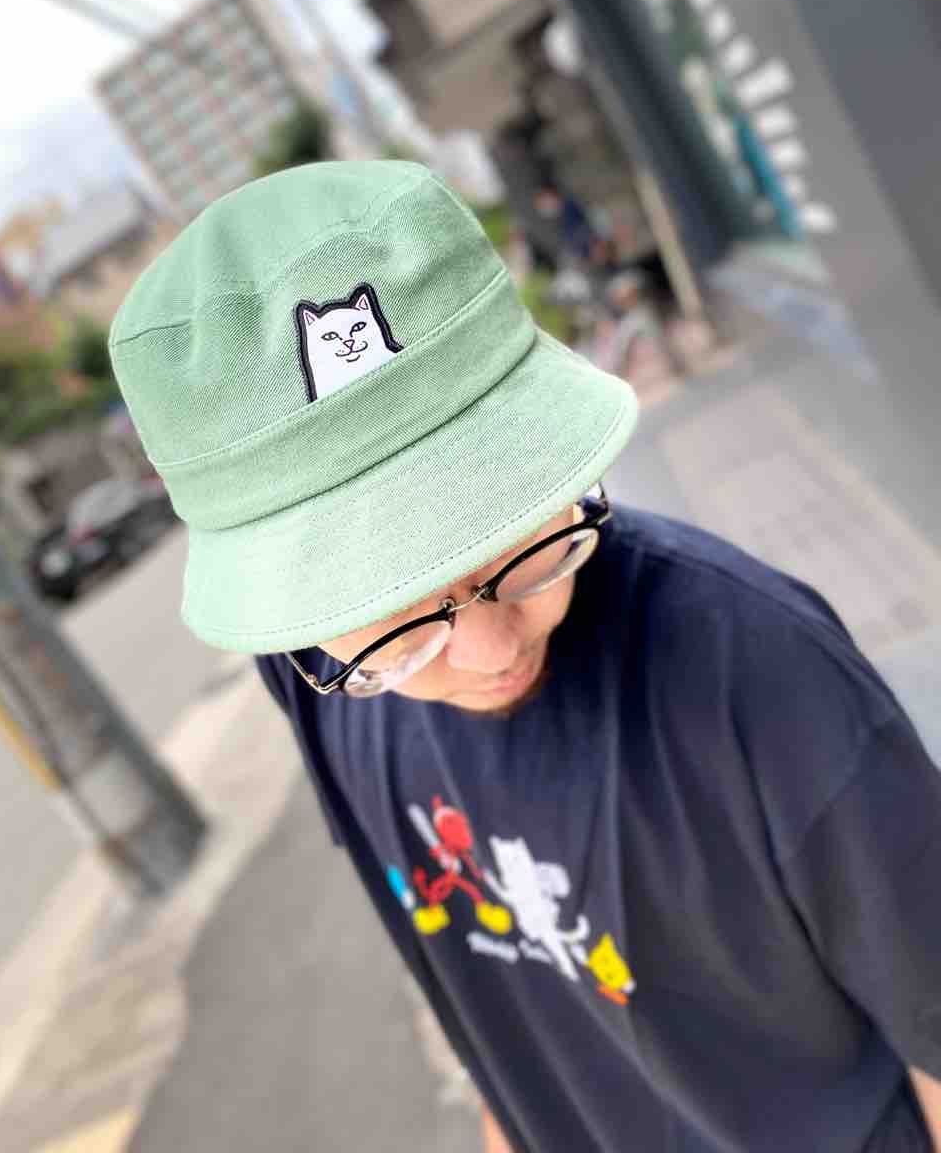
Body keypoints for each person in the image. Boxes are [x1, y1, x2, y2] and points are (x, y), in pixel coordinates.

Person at [109, 160, 941, 1153]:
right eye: (396, 620)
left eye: (517, 548)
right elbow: (498, 992)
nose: (491, 647)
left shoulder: (758, 668)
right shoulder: (312, 682)